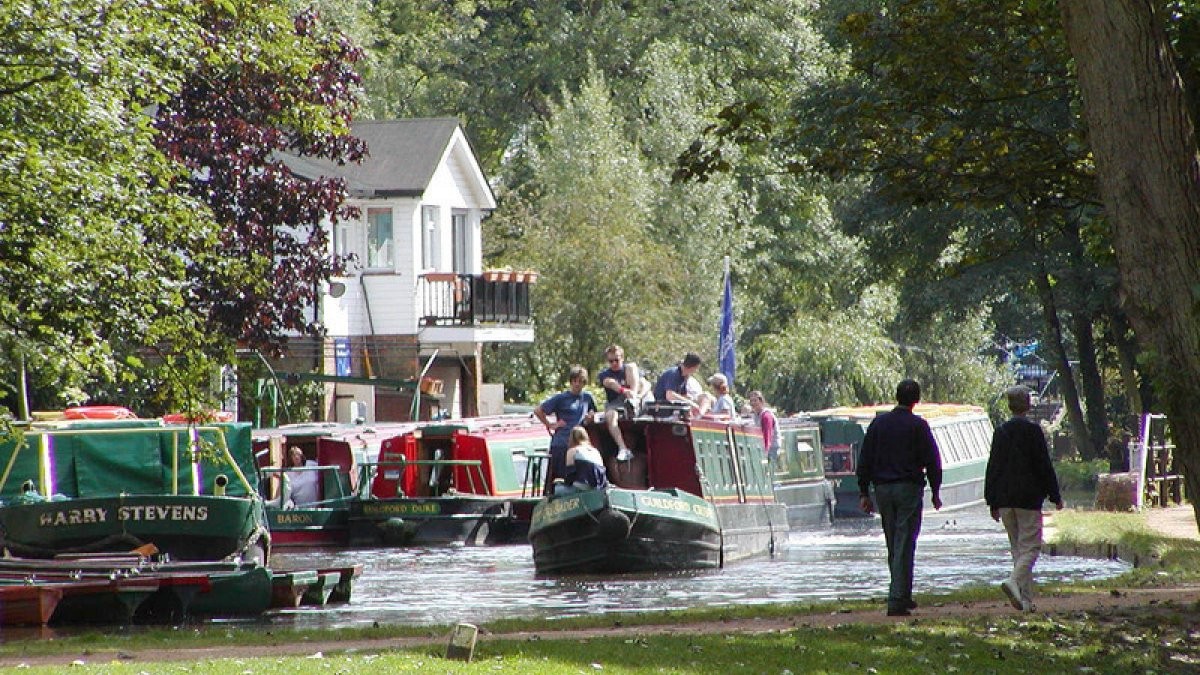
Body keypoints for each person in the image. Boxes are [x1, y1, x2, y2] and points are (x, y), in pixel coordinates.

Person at [856, 379, 943, 617]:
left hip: (882, 490)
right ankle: (897, 598)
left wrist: (864, 491)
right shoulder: (918, 426)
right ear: (917, 399)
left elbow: (865, 458)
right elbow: (932, 460)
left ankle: (901, 593)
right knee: (905, 541)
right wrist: (936, 491)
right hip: (908, 489)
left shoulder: (878, 424)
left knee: (893, 541)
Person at [986, 385, 1064, 612]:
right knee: (1032, 547)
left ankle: (1026, 600)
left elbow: (994, 467)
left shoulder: (1001, 431)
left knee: (1018, 549)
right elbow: (1043, 465)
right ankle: (1013, 582)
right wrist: (1055, 494)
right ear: (1028, 405)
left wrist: (992, 500)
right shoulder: (1033, 431)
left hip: (1005, 499)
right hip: (1028, 498)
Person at [534, 365, 598, 494]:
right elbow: (538, 410)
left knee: (579, 478)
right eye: (575, 381)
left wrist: (590, 418)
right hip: (562, 442)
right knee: (561, 476)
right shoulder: (561, 398)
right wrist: (551, 424)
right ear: (571, 382)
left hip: (579, 443)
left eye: (580, 381)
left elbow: (593, 412)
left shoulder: (587, 398)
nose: (577, 384)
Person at [597, 345, 647, 460]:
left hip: (635, 399)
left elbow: (645, 384)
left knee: (632, 367)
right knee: (610, 415)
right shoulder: (605, 374)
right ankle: (623, 448)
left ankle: (633, 402)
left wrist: (637, 395)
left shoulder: (629, 369)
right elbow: (609, 383)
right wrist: (623, 391)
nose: (614, 363)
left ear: (622, 358)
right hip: (615, 403)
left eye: (617, 360)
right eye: (611, 361)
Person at [565, 426, 608, 491]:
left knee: (558, 489)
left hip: (582, 485)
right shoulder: (595, 451)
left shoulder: (572, 451)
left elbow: (570, 474)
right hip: (599, 487)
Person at [747, 390, 779, 460]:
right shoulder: (756, 415)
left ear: (761, 401)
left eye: (755, 400)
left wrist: (765, 453)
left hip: (772, 448)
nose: (753, 403)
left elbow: (767, 435)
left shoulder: (766, 416)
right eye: (751, 401)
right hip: (763, 447)